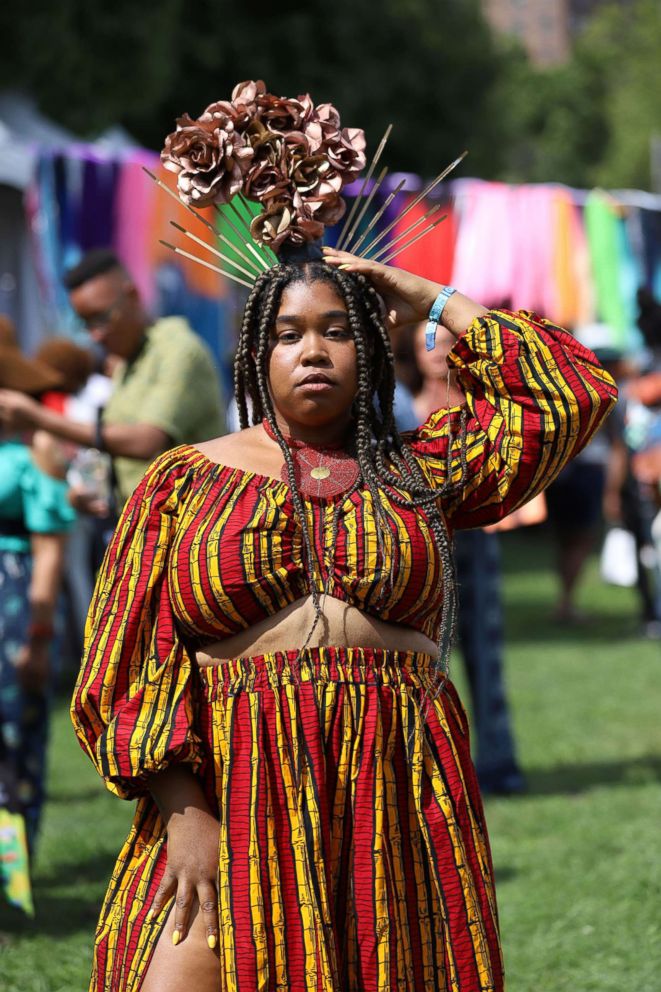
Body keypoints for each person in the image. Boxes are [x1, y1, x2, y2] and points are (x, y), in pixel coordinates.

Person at [70, 84, 616, 992]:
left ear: (372, 348)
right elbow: (126, 659)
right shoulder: (183, 482)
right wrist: (183, 811)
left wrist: (425, 294)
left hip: (394, 780)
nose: (312, 350)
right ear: (256, 357)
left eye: (336, 331)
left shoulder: (422, 472)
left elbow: (568, 391)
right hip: (237, 781)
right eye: (287, 335)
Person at [0, 250, 226, 508]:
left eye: (101, 318)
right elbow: (132, 467)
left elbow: (145, 442)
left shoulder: (179, 351)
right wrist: (95, 495)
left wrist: (38, 417)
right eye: (86, 324)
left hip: (193, 530)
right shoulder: (126, 364)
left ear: (132, 296)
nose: (95, 335)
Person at [409, 319, 525, 795]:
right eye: (426, 344)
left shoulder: (482, 410)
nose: (436, 352)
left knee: (484, 649)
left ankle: (498, 760)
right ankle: (438, 772)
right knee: (426, 659)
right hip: (422, 546)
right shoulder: (403, 408)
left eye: (445, 342)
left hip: (473, 539)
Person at [0, 320, 76, 861]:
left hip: (13, 602)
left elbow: (50, 549)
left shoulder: (38, 447)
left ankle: (9, 876)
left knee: (10, 741)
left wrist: (40, 635)